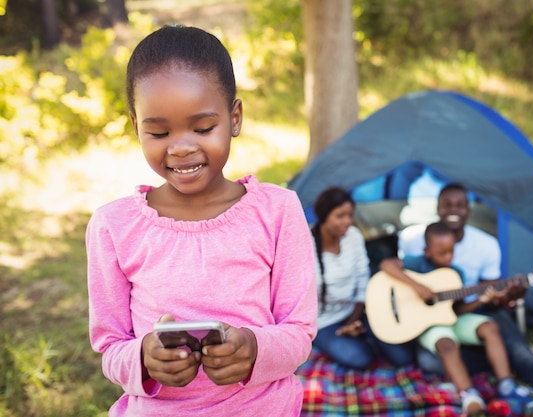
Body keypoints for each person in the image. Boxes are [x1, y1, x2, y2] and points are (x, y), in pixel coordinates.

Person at [86, 25, 318, 416]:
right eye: (158, 132)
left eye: (203, 127)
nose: (181, 147)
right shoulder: (113, 226)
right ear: (135, 126)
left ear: (235, 117)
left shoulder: (278, 211)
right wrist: (143, 359)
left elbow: (299, 331)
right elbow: (110, 346)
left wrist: (254, 348)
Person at [398, 182, 533, 417]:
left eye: (460, 205)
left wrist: (506, 297)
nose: (453, 210)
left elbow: (494, 297)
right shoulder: (413, 239)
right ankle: (492, 374)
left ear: (469, 209)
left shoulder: (486, 245)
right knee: (429, 361)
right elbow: (397, 273)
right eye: (447, 204)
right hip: (435, 319)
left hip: (477, 308)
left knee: (516, 349)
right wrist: (419, 288)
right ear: (437, 207)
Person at [380, 222, 533, 415]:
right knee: (446, 344)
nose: (448, 257)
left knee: (489, 327)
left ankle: (507, 385)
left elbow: (459, 310)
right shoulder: (416, 263)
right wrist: (416, 286)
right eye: (442, 253)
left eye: (451, 251)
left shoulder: (456, 273)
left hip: (452, 319)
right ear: (427, 251)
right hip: (429, 325)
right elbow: (386, 264)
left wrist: (481, 300)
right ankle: (469, 394)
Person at [310, 186, 413, 369]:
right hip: (324, 321)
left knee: (402, 357)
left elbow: (362, 278)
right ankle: (351, 340)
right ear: (323, 215)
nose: (348, 222)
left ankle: (364, 335)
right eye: (340, 216)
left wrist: (354, 319)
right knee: (360, 359)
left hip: (356, 311)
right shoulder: (305, 244)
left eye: (350, 215)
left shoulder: (353, 236)